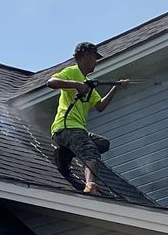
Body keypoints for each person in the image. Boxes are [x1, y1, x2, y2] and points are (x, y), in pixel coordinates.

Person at [49, 41, 117, 194]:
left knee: (103, 143)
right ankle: (90, 185)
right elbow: (51, 82)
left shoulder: (88, 84)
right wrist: (76, 84)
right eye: (94, 57)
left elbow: (100, 106)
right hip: (66, 126)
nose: (95, 62)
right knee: (90, 152)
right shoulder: (72, 72)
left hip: (78, 129)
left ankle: (64, 153)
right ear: (85, 55)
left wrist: (115, 88)